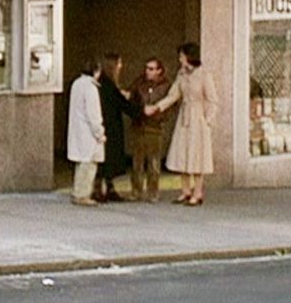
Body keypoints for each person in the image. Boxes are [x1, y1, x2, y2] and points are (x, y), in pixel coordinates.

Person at [150, 42, 217, 206]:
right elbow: (174, 95)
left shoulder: (204, 75)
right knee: (183, 152)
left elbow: (213, 100)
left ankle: (198, 192)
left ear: (189, 56)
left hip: (198, 117)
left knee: (197, 156)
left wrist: (207, 120)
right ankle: (185, 191)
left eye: (181, 56)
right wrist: (158, 107)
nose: (180, 59)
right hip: (185, 116)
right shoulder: (181, 75)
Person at [92, 52, 140, 203]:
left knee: (105, 157)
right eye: (119, 64)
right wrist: (141, 112)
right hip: (110, 126)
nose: (121, 67)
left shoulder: (101, 84)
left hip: (105, 124)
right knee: (108, 157)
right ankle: (101, 188)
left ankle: (104, 187)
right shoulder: (109, 86)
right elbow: (123, 104)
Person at [128, 57, 172, 202]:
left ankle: (153, 191)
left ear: (159, 71)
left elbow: (170, 106)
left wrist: (158, 115)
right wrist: (140, 111)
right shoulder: (139, 83)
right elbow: (131, 99)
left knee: (154, 162)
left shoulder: (166, 86)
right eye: (147, 68)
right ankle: (136, 190)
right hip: (139, 124)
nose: (148, 72)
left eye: (152, 69)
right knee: (137, 161)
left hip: (155, 126)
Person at [67, 57, 106, 207]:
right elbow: (94, 114)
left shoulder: (76, 84)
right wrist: (100, 133)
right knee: (89, 164)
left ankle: (77, 191)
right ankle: (82, 194)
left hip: (78, 129)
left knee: (81, 163)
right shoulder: (91, 88)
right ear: (96, 72)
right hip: (88, 133)